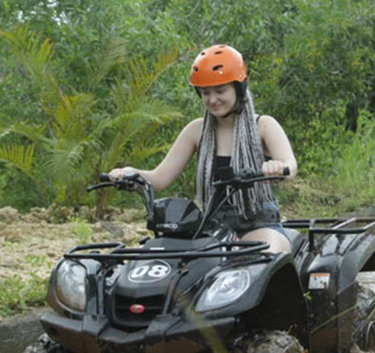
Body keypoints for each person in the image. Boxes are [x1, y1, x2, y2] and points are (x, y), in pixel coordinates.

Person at [108, 44, 297, 253]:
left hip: (258, 225)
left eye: (220, 91)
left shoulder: (263, 126)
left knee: (260, 258)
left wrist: (277, 167)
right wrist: (131, 173)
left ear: (239, 87)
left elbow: (290, 165)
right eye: (205, 93)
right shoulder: (196, 131)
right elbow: (159, 178)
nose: (213, 99)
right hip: (211, 230)